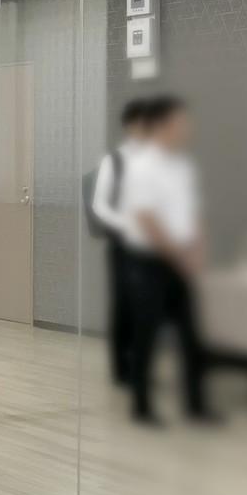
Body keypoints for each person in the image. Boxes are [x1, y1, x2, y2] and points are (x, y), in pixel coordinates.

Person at [121, 95, 213, 425]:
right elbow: (147, 218)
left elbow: (192, 213)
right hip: (151, 262)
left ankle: (196, 405)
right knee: (147, 334)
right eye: (180, 122)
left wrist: (198, 249)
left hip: (182, 261)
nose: (186, 128)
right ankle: (142, 406)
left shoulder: (183, 165)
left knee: (191, 335)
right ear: (162, 125)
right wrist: (178, 255)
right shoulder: (142, 166)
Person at [88, 97, 153, 386]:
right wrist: (126, 224)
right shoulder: (113, 161)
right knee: (124, 303)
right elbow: (99, 204)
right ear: (129, 126)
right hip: (123, 242)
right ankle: (121, 367)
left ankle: (141, 365)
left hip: (151, 242)